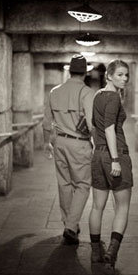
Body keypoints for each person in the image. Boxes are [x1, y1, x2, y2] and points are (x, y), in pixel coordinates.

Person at [88, 59, 133, 275]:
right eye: (120, 75)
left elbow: (92, 126)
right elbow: (107, 128)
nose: (124, 78)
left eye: (127, 75)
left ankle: (95, 252)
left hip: (97, 155)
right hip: (115, 154)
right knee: (122, 207)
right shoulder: (114, 97)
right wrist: (115, 159)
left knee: (97, 206)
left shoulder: (97, 96)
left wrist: (99, 151)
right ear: (109, 75)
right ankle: (110, 257)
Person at [43, 54, 95, 245]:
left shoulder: (54, 91)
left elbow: (46, 121)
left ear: (70, 71)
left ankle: (68, 222)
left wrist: (46, 142)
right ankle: (71, 226)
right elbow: (91, 124)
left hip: (60, 142)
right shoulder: (87, 93)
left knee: (64, 183)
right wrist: (99, 145)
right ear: (84, 73)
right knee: (82, 184)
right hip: (79, 143)